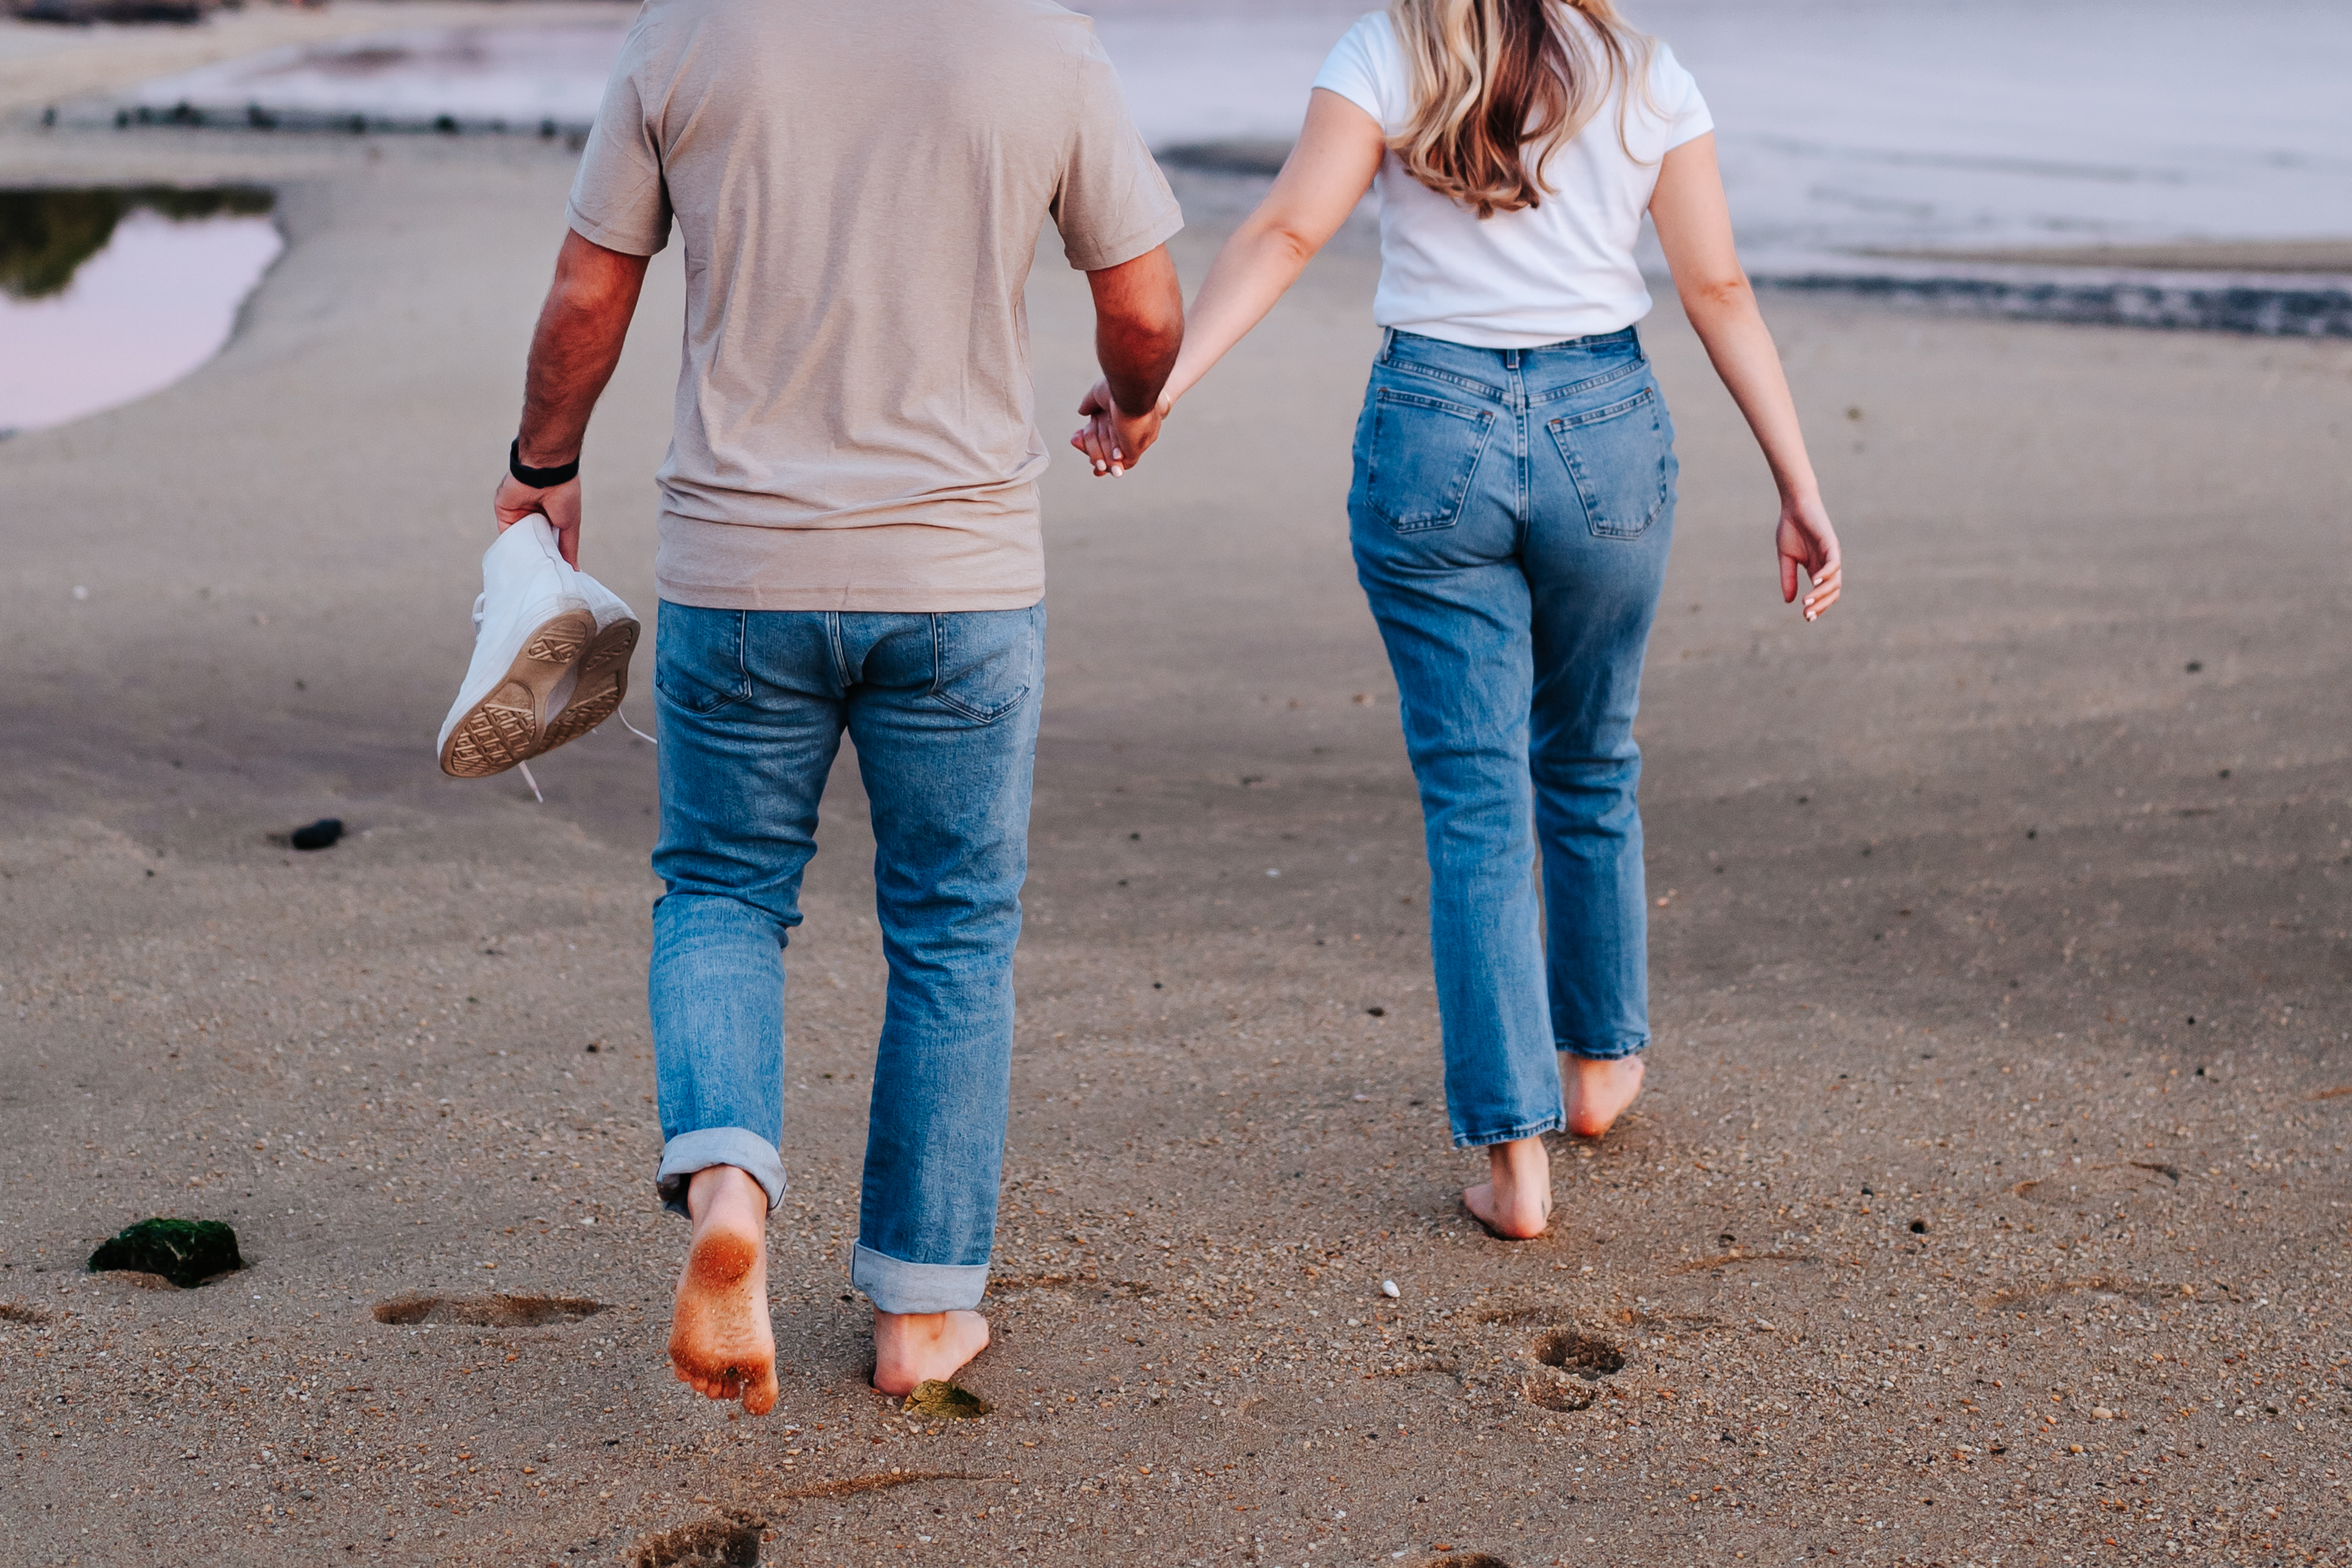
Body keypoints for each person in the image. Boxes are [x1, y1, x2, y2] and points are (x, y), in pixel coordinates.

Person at [492, 0, 1184, 1408]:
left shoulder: (687, 29)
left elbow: (587, 294)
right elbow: (1147, 308)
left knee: (725, 892)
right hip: (962, 581)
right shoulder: (1044, 39)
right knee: (951, 931)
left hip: (740, 571)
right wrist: (1135, 396)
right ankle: (922, 1318)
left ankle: (732, 1193)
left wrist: (541, 462)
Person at [1077, 0, 1840, 1238]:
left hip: (1434, 426)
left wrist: (1155, 395)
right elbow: (1720, 286)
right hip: (1606, 427)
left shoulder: (1392, 52)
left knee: (1477, 799)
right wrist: (1799, 486)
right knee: (1591, 757)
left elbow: (1281, 233)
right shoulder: (1644, 71)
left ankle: (1516, 1165)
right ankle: (1598, 1074)